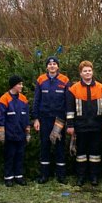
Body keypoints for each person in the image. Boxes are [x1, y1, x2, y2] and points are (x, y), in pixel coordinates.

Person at [66, 60, 102, 187]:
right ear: (80, 73)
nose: (88, 73)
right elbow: (70, 109)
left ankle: (94, 177)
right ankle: (81, 177)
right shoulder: (73, 89)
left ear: (92, 72)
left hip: (96, 126)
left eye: (89, 70)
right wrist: (70, 125)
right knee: (81, 153)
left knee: (95, 153)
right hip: (80, 126)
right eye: (85, 71)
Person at [32, 56, 70, 184]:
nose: (52, 66)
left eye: (54, 63)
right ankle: (44, 175)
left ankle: (61, 175)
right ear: (47, 67)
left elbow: (68, 101)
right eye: (50, 64)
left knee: (60, 146)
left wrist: (67, 119)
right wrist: (36, 118)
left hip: (59, 119)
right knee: (45, 146)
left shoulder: (65, 80)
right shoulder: (41, 80)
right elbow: (36, 100)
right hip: (44, 119)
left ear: (58, 66)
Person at [0, 75, 31, 187]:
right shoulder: (4, 98)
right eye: (19, 84)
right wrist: (1, 134)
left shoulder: (23, 99)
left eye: (22, 84)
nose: (21, 86)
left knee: (20, 156)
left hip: (21, 134)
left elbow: (26, 117)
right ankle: (8, 177)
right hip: (9, 135)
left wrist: (27, 131)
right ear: (13, 85)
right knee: (9, 156)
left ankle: (19, 176)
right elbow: (0, 117)